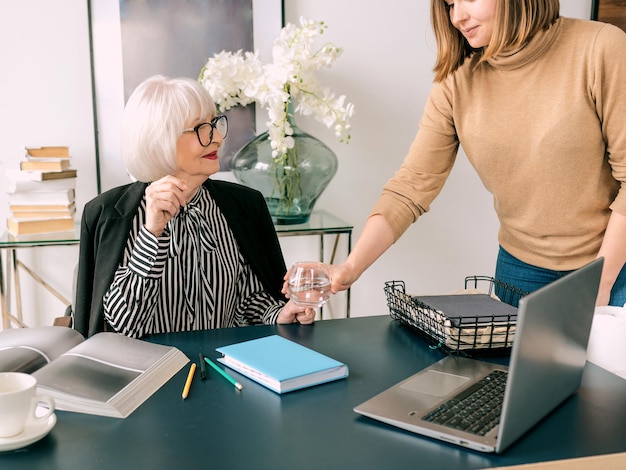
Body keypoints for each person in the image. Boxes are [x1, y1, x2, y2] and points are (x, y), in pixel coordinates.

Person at [326, 0, 626, 306]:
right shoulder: (456, 80)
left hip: (615, 266)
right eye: (450, 4)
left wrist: (599, 284)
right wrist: (350, 267)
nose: (457, 17)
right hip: (520, 269)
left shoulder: (601, 48)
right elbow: (411, 186)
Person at [74, 75, 315, 338]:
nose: (217, 139)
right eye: (200, 128)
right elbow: (124, 324)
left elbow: (249, 298)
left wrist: (279, 314)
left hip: (228, 364)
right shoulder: (107, 214)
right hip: (151, 370)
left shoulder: (246, 205)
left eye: (214, 124)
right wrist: (152, 233)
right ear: (159, 139)